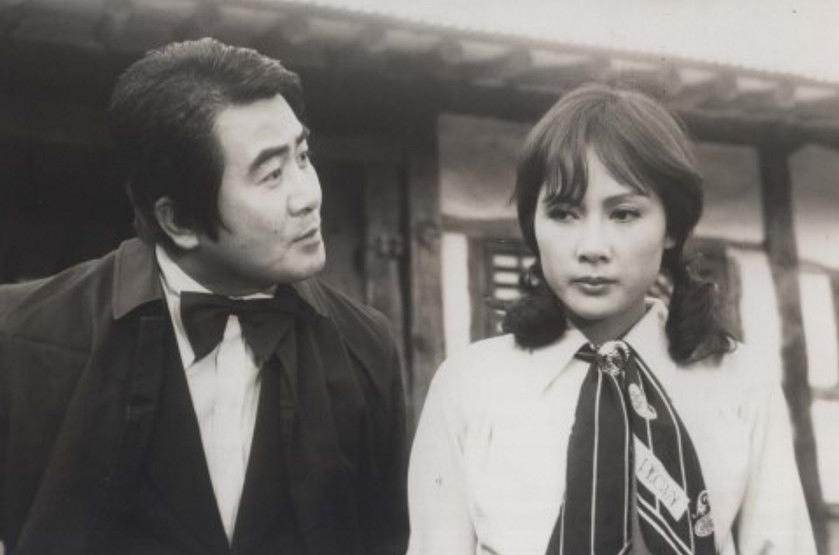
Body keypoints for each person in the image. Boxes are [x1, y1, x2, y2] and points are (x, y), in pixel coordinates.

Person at [0, 38, 407, 555]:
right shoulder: (20, 339)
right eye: (272, 174)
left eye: (303, 156)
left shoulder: (365, 347)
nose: (308, 196)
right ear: (179, 220)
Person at [407, 83, 815, 554]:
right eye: (564, 213)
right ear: (532, 224)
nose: (592, 248)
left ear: (672, 227)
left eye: (623, 214)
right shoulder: (469, 384)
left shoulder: (740, 381)